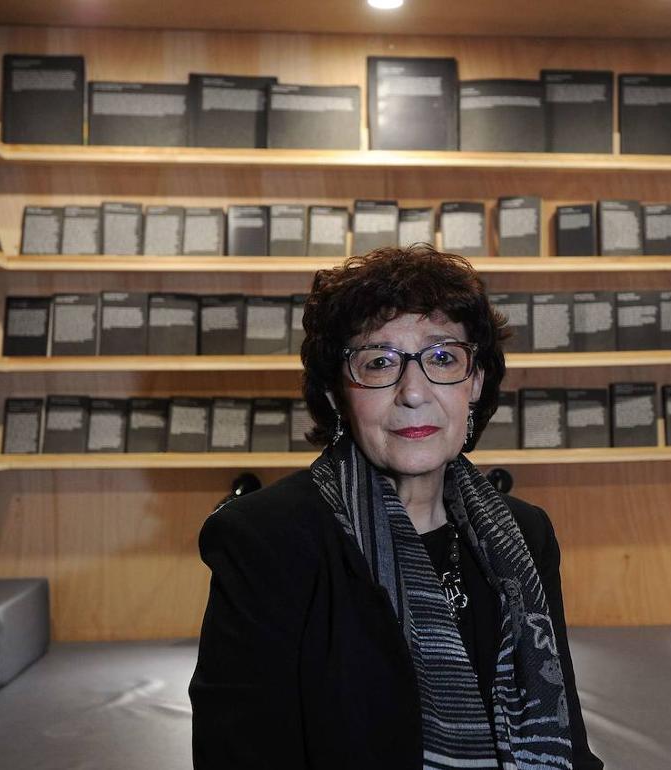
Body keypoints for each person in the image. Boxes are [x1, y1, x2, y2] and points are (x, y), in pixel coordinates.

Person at [189, 245, 603, 769]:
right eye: (379, 362)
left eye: (442, 357)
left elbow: (567, 741)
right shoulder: (264, 539)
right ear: (337, 394)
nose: (414, 392)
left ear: (475, 381)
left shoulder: (526, 533)